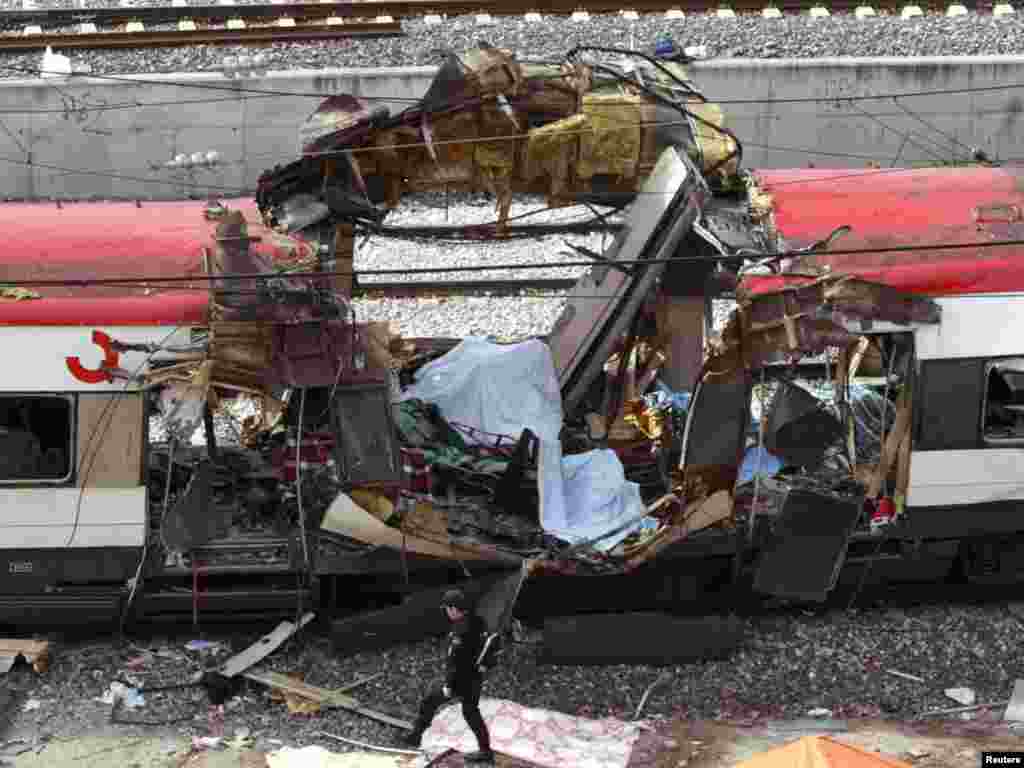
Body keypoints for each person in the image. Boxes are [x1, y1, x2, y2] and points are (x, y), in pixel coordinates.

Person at [403, 588, 496, 763]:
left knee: (430, 701)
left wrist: (449, 686)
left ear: (454, 608)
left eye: (447, 608)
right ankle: (486, 751)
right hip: (476, 678)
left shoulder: (461, 629)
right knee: (471, 713)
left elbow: (457, 662)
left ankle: (416, 736)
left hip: (461, 680)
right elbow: (488, 645)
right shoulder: (478, 621)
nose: (446, 612)